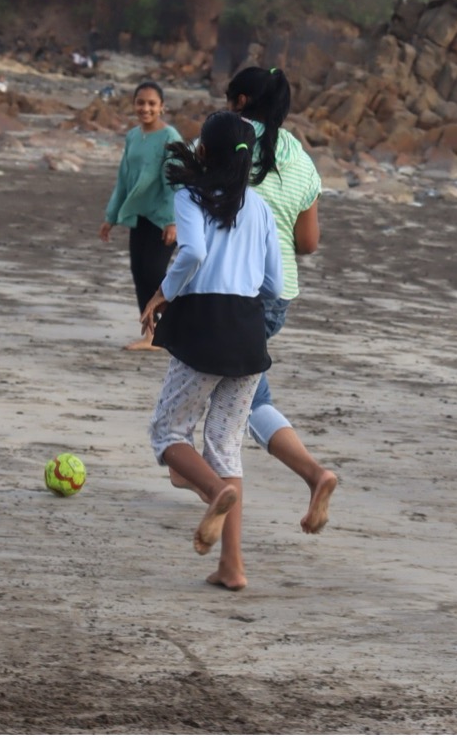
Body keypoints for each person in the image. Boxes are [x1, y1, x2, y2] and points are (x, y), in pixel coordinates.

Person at [141, 111, 283, 590]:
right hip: (248, 332)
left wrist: (164, 291)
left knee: (167, 432)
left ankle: (212, 491)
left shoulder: (191, 195)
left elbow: (194, 252)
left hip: (204, 327)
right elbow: (275, 284)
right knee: (225, 445)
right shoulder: (260, 207)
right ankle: (232, 567)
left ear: (204, 151)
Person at [213, 66, 340, 536]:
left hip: (227, 291)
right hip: (277, 295)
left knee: (219, 397)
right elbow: (308, 243)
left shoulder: (228, 140)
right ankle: (310, 475)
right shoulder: (302, 161)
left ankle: (207, 485)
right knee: (249, 390)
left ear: (241, 102)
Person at [99, 81, 183, 351]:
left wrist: (172, 220)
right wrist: (111, 216)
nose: (145, 108)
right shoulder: (133, 136)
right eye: (140, 102)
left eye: (151, 103)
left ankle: (176, 326)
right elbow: (124, 178)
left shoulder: (170, 136)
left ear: (162, 107)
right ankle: (151, 335)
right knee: (139, 271)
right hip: (140, 216)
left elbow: (175, 180)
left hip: (162, 218)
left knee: (155, 272)